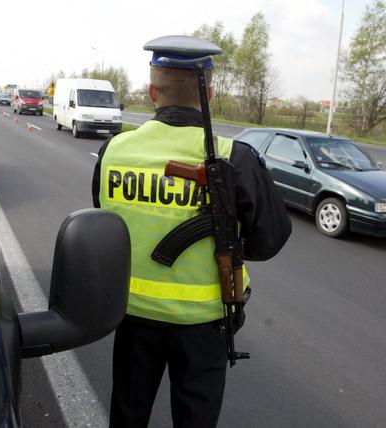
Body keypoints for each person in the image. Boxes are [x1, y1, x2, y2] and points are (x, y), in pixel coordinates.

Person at [91, 35, 292, 428]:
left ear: (152, 92)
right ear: (211, 93)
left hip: (132, 315)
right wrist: (229, 241)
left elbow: (105, 218)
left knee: (127, 414)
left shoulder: (114, 150)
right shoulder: (236, 155)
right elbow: (270, 239)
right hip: (205, 320)